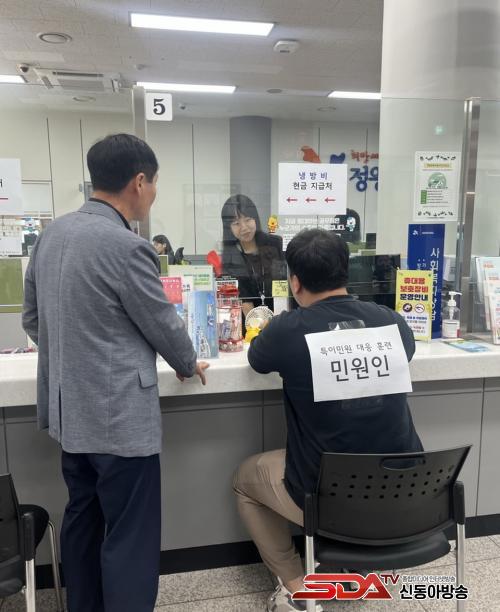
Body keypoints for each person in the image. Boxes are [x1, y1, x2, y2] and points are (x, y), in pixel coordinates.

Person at [22, 133, 209, 612]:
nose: (154, 194)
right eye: (155, 183)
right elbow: (162, 324)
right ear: (139, 181)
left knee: (82, 518)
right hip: (120, 420)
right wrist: (187, 363)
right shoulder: (127, 247)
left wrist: (76, 356)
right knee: (130, 532)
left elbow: (33, 320)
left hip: (70, 415)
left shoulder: (50, 236)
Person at [233, 229, 422, 612]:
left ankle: (297, 588)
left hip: (331, 501)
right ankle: (348, 569)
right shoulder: (392, 323)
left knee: (244, 479)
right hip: (408, 495)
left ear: (295, 281)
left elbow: (256, 359)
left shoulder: (287, 330)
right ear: (345, 272)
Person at [221, 194, 286, 317]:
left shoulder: (275, 244)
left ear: (255, 218)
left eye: (248, 220)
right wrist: (258, 325)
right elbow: (245, 303)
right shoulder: (230, 258)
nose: (244, 228)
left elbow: (287, 283)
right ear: (229, 228)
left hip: (282, 316)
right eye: (236, 223)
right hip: (251, 322)